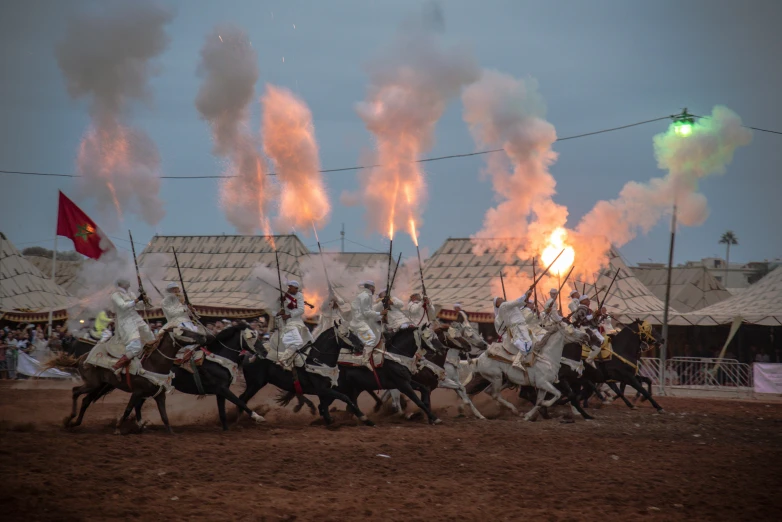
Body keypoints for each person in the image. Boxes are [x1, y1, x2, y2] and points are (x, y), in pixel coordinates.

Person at [110, 278, 153, 374]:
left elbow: (140, 306)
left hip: (136, 318)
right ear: (120, 283)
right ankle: (118, 366)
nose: (129, 282)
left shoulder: (130, 293)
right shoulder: (115, 295)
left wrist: (144, 299)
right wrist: (137, 299)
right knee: (135, 345)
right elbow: (123, 306)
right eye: (126, 281)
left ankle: (146, 364)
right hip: (126, 322)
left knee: (151, 339)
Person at [276, 281, 312, 370]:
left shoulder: (299, 295)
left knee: (310, 341)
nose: (296, 290)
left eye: (297, 288)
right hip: (288, 323)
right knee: (296, 341)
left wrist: (288, 315)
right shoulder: (284, 296)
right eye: (294, 288)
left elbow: (301, 310)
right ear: (290, 287)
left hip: (298, 322)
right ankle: (282, 359)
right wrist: (281, 311)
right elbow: (279, 310)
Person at [493, 291, 534, 368]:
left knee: (531, 342)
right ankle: (517, 361)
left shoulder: (509, 306)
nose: (501, 298)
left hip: (523, 326)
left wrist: (527, 296)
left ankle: (523, 359)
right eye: (499, 299)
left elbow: (520, 303)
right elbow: (517, 301)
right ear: (497, 304)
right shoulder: (503, 306)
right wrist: (525, 294)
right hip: (517, 327)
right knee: (526, 343)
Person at [349, 280, 382, 358]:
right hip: (359, 323)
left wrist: (380, 317)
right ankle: (365, 360)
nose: (374, 290)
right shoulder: (365, 296)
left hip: (362, 322)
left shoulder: (365, 295)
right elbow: (366, 313)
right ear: (371, 287)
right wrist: (380, 313)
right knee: (371, 339)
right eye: (374, 288)